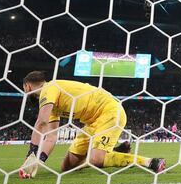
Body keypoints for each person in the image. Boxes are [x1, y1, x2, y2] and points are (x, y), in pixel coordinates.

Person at [19, 71, 165, 178]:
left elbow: (41, 123)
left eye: (23, 88)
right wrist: (38, 160)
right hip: (92, 123)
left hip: (109, 112)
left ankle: (150, 162)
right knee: (67, 166)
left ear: (27, 86)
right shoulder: (51, 105)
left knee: (96, 160)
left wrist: (30, 156)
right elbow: (51, 136)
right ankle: (112, 151)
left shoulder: (49, 88)